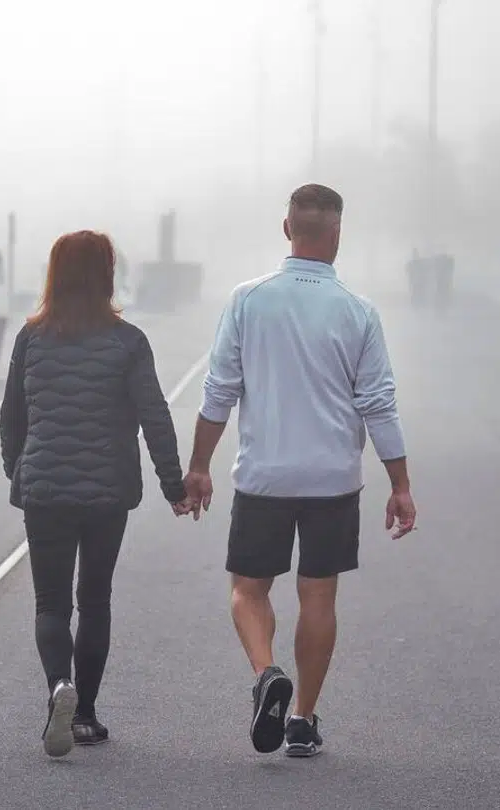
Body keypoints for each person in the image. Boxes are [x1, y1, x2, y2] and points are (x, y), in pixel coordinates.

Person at [181, 183, 417, 758]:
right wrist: (400, 483)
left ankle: (267, 675)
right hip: (333, 478)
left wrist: (199, 465)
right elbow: (378, 403)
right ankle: (304, 720)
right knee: (318, 599)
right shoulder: (359, 312)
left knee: (247, 591)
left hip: (264, 475)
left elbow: (219, 390)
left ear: (287, 229)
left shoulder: (248, 300)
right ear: (337, 234)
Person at [0, 229, 190, 758]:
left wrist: (19, 470)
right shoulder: (127, 341)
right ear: (108, 275)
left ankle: (59, 686)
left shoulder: (31, 338)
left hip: (44, 490)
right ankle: (84, 716)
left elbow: (12, 414)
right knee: (95, 599)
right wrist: (174, 484)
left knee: (51, 603)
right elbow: (154, 415)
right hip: (108, 493)